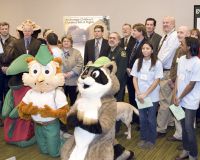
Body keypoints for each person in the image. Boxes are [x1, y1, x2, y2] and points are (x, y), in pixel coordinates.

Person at [131, 42, 163, 149]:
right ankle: (144, 138)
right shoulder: (137, 61)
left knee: (151, 119)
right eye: (143, 48)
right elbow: (134, 78)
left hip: (151, 96)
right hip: (140, 96)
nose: (145, 50)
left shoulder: (157, 63)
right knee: (143, 118)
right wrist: (139, 93)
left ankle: (151, 139)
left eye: (147, 48)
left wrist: (145, 94)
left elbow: (157, 80)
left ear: (152, 50)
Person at [174, 37, 200, 160]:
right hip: (179, 99)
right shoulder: (182, 59)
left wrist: (180, 97)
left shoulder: (197, 62)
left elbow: (191, 85)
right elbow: (178, 78)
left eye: (182, 44)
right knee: (183, 126)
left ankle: (193, 155)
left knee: (189, 128)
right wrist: (175, 95)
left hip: (190, 101)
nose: (180, 45)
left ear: (189, 47)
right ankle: (186, 150)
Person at [157, 16, 180, 137]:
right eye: (164, 22)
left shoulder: (174, 36)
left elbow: (166, 55)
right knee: (171, 99)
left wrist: (154, 66)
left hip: (167, 72)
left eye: (168, 22)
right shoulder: (165, 36)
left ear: (173, 24)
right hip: (165, 71)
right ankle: (171, 123)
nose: (165, 24)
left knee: (164, 101)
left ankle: (160, 128)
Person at [167, 26, 190, 142]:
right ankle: (179, 134)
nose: (179, 34)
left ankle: (186, 137)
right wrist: (171, 79)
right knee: (175, 108)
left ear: (188, 34)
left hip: (186, 86)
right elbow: (173, 66)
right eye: (178, 32)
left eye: (182, 32)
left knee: (186, 113)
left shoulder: (190, 49)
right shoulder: (178, 48)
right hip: (175, 83)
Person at [127, 23, 147, 125]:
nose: (132, 32)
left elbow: (145, 61)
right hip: (130, 75)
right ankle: (135, 118)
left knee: (140, 99)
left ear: (141, 32)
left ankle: (141, 121)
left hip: (140, 77)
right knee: (132, 97)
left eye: (135, 30)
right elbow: (129, 57)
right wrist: (128, 68)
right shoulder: (133, 42)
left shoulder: (146, 44)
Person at [0, 22, 16, 126]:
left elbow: (16, 56)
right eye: (2, 29)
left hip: (9, 72)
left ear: (8, 29)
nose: (4, 30)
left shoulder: (14, 41)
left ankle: (7, 118)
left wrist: (9, 67)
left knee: (8, 95)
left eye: (6, 28)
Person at [61, 35, 83, 106]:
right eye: (64, 41)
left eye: (68, 41)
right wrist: (62, 74)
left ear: (71, 43)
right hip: (61, 81)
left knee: (74, 103)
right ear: (62, 43)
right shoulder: (57, 52)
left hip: (73, 81)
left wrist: (71, 73)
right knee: (61, 103)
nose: (66, 42)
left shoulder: (77, 52)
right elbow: (55, 64)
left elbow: (80, 64)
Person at [108, 32, 127, 102]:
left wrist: (114, 83)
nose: (111, 40)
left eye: (114, 38)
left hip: (117, 83)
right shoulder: (109, 51)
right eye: (110, 38)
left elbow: (121, 71)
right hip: (110, 83)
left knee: (117, 103)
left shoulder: (121, 52)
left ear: (118, 41)